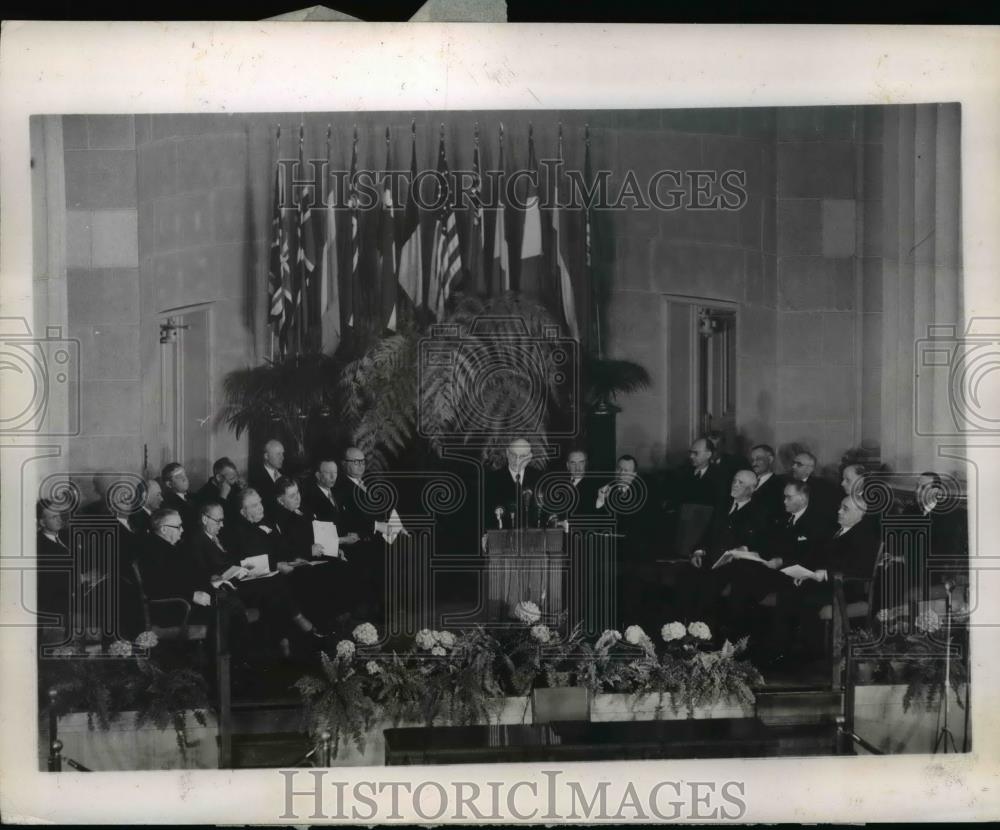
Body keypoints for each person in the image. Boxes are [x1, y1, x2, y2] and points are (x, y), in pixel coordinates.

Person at [190, 501, 322, 657]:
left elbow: (233, 560)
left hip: (238, 580)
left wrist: (241, 569)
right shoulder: (197, 542)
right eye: (218, 521)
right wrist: (227, 574)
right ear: (205, 519)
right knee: (273, 588)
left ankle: (284, 640)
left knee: (275, 585)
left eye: (223, 520)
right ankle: (294, 627)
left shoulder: (219, 537)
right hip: (225, 590)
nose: (222, 525)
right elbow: (203, 574)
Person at [678, 469, 767, 629]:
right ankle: (684, 632)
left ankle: (705, 635)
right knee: (686, 576)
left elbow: (760, 542)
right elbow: (707, 533)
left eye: (741, 483)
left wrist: (743, 549)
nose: (735, 485)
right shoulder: (723, 504)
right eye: (734, 480)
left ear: (752, 488)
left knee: (710, 587)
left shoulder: (759, 511)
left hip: (736, 564)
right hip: (711, 559)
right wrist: (698, 550)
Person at [482, 438, 543, 531]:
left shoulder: (540, 478)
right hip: (502, 539)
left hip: (533, 539)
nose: (517, 460)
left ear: (530, 457)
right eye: (513, 455)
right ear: (507, 453)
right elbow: (485, 514)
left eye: (522, 456)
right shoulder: (491, 480)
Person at [788, 451, 839, 531]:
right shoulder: (784, 483)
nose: (793, 467)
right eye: (793, 463)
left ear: (809, 469)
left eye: (799, 464)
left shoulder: (823, 488)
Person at [160, 462, 200, 539]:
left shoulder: (194, 497)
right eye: (179, 476)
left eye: (184, 475)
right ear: (169, 484)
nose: (185, 479)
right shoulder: (168, 504)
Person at [248, 440, 285, 521]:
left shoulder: (284, 472)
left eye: (282, 454)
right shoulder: (256, 478)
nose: (282, 458)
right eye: (278, 454)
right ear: (266, 456)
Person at [749, 444, 785, 527]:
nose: (754, 463)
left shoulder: (779, 485)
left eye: (758, 459)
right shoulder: (748, 481)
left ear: (770, 459)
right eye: (752, 460)